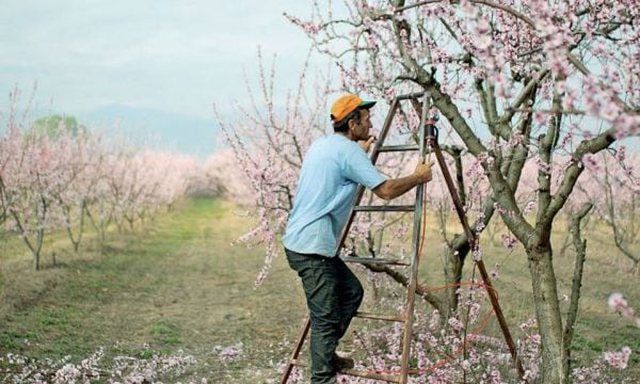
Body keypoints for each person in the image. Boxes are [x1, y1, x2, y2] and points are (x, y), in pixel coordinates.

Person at [282, 93, 433, 384]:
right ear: (352, 124)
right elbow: (385, 190)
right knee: (325, 320)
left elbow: (341, 166)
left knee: (351, 292)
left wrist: (360, 152)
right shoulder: (349, 153)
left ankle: (325, 353)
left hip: (302, 241)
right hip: (312, 247)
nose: (370, 123)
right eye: (366, 119)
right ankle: (322, 375)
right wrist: (418, 177)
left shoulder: (324, 145)